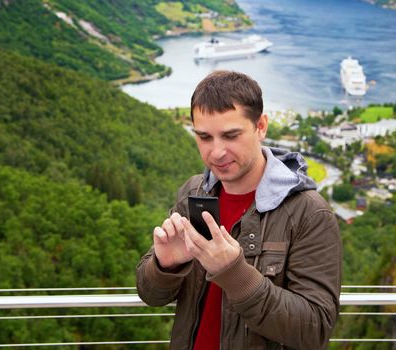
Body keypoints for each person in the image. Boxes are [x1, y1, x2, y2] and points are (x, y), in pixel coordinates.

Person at [136, 70, 341, 349]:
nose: (216, 152)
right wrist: (165, 266)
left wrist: (234, 274)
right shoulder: (193, 192)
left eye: (231, 135)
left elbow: (315, 330)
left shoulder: (309, 213)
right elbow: (152, 295)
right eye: (204, 137)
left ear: (261, 127)